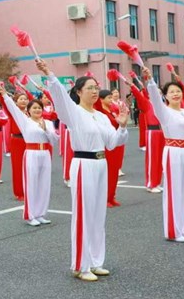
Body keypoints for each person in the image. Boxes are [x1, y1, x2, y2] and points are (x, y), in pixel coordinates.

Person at [37, 59, 129, 281]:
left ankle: (96, 261)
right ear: (78, 92)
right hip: (83, 164)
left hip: (101, 163)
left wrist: (123, 125)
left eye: (97, 88)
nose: (95, 91)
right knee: (84, 214)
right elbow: (59, 97)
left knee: (99, 213)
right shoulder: (73, 112)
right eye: (90, 88)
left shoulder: (102, 116)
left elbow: (112, 143)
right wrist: (50, 74)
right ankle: (81, 265)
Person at [142, 68, 184, 242]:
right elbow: (154, 98)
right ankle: (173, 231)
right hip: (173, 152)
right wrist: (151, 82)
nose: (176, 94)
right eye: (172, 92)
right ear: (166, 96)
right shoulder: (163, 111)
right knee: (173, 191)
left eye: (178, 91)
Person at [0, 88, 58, 226]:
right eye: (34, 108)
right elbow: (12, 108)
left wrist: (46, 130)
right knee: (32, 184)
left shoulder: (48, 123)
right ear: (29, 110)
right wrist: (3, 94)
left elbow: (54, 140)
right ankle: (30, 215)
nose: (37, 110)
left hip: (45, 154)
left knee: (44, 184)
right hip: (31, 153)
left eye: (39, 108)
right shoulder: (25, 121)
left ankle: (41, 213)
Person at [99, 88, 126, 207]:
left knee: (114, 171)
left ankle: (111, 196)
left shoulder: (111, 111)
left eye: (112, 97)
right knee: (108, 172)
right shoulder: (100, 112)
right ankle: (104, 198)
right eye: (109, 98)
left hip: (116, 143)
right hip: (106, 145)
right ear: (101, 99)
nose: (112, 99)